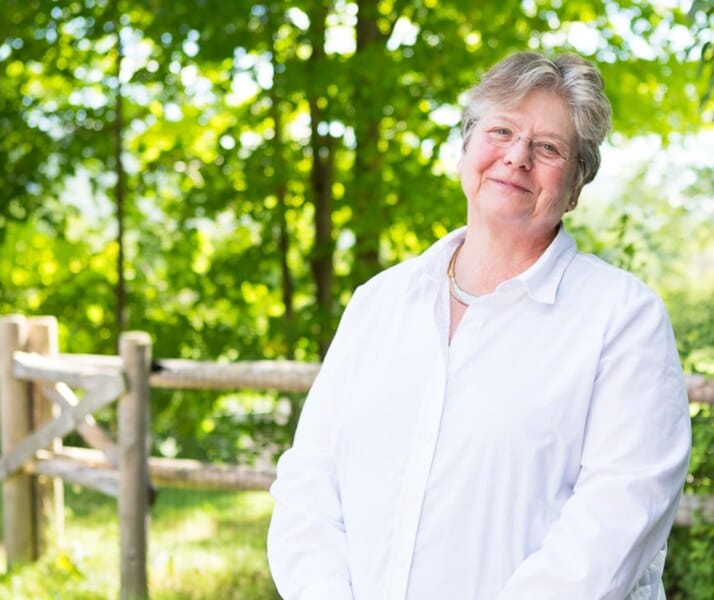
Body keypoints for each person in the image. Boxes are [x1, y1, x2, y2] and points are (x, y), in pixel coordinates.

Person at [267, 51, 691, 599]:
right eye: (501, 130)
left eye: (548, 148)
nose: (516, 156)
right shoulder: (379, 304)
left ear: (577, 186)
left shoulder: (623, 321)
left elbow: (613, 529)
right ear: (467, 145)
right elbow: (309, 490)